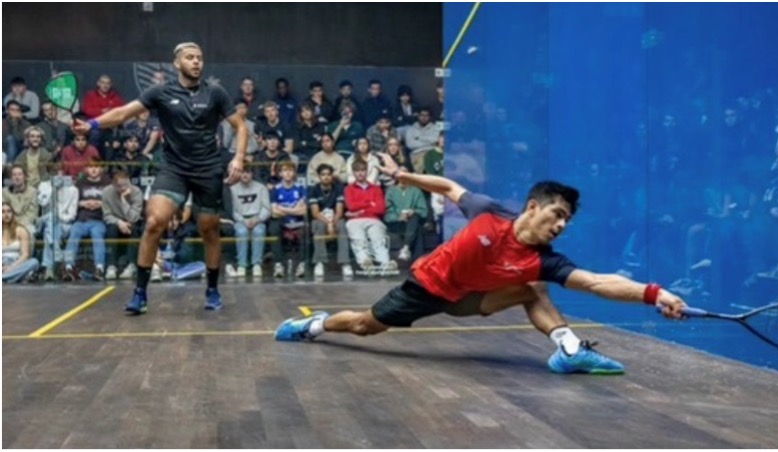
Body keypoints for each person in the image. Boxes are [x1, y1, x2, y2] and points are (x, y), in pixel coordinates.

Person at [275, 154, 688, 374]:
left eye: (567, 220)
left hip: (469, 297)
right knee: (365, 326)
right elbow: (451, 187)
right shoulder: (491, 212)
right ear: (532, 207)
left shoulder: (544, 259)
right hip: (427, 285)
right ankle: (312, 326)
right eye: (557, 213)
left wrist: (656, 294)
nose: (561, 224)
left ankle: (569, 349)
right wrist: (405, 176)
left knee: (533, 285)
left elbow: (597, 283)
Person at [73, 42, 247, 314]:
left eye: (200, 58)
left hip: (208, 168)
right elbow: (123, 113)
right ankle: (140, 293)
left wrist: (237, 158)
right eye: (190, 58)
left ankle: (212, 289)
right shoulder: (160, 92)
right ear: (177, 63)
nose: (196, 62)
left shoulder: (215, 93)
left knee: (209, 229)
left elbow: (240, 125)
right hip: (174, 168)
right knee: (154, 222)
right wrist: (92, 123)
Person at [2, 202, 40, 283]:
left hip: (17, 263)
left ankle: (4, 278)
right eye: (3, 212)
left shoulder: (20, 230)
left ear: (13, 214)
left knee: (34, 262)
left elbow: (25, 254)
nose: (6, 214)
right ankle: (16, 278)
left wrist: (11, 267)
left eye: (9, 211)